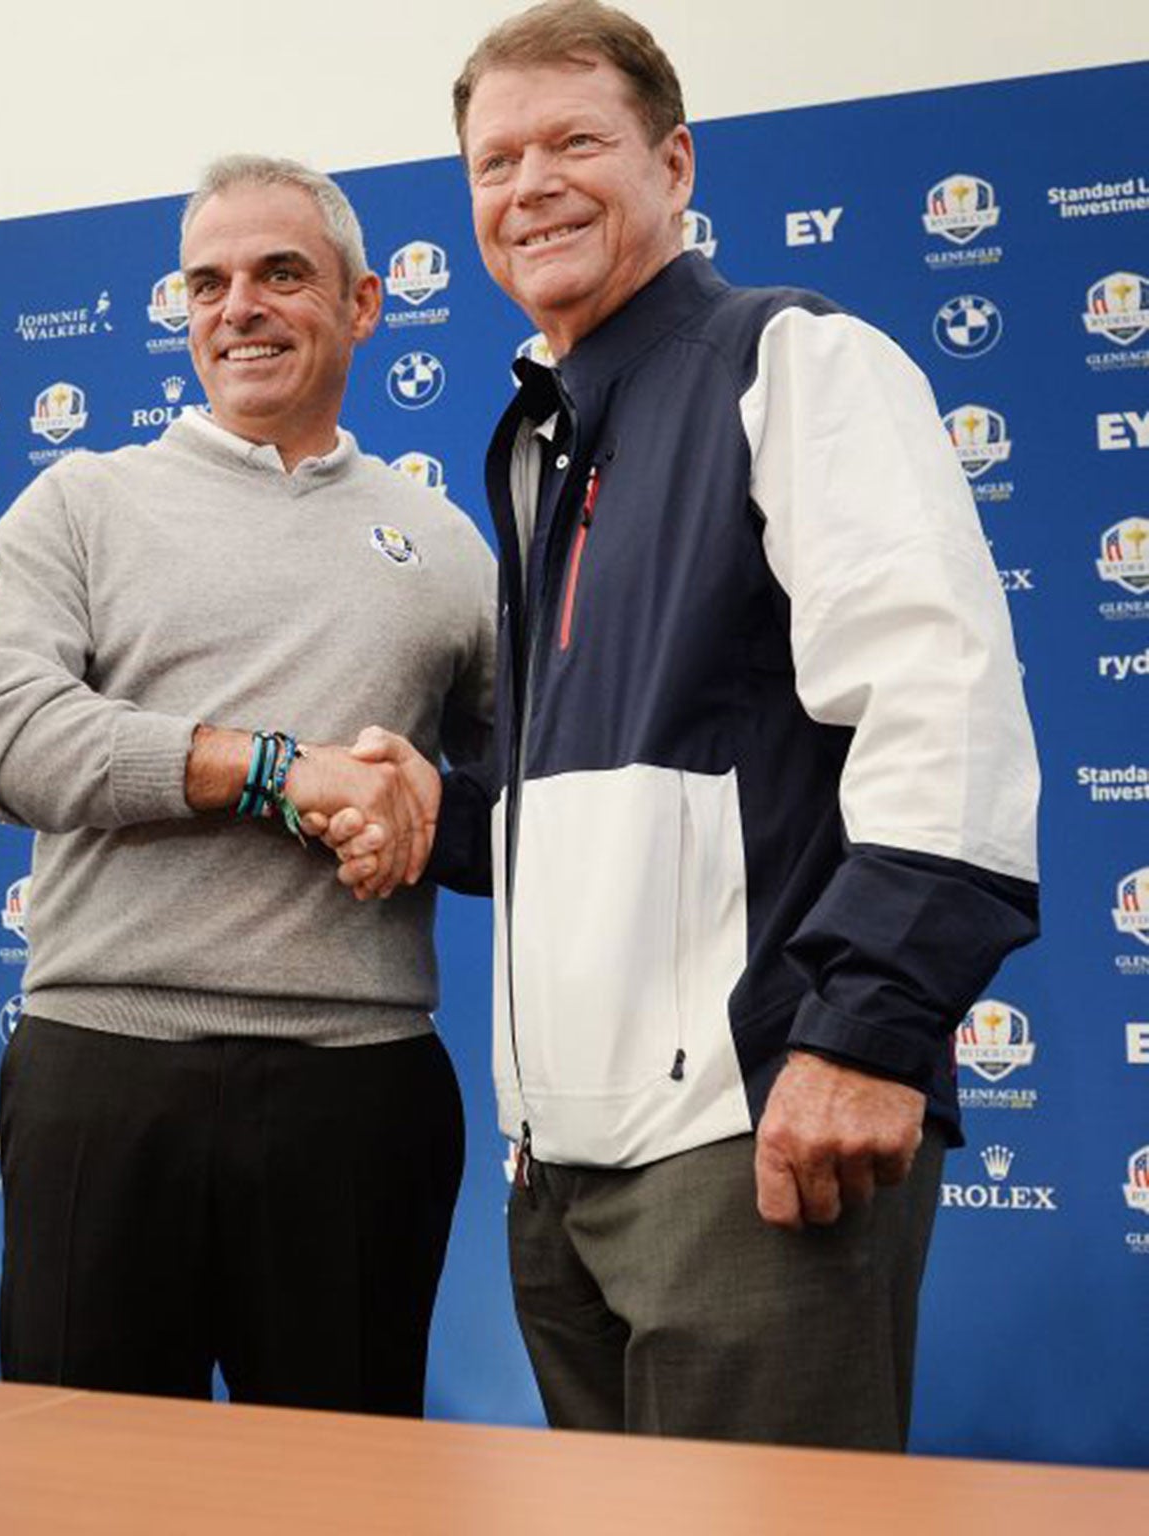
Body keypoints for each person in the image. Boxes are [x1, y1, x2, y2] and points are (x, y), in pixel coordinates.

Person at [326, 0, 1039, 1448]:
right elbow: (643, 785)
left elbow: (943, 705)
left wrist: (865, 1037)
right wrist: (449, 815)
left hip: (753, 1139)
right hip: (567, 1174)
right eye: (494, 161)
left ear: (675, 162)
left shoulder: (796, 361)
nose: (530, 186)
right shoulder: (544, 436)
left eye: (574, 141)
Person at [0, 154, 498, 1415]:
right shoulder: (80, 505)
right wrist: (268, 773)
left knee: (341, 1496)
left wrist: (414, 820)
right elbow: (0, 738)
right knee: (76, 1487)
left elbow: (529, 798)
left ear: (362, 305)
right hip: (103, 1074)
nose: (235, 306)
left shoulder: (448, 543)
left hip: (358, 1094)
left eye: (279, 274)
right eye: (207, 282)